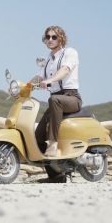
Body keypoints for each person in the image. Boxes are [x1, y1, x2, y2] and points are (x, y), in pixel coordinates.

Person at [29, 25, 82, 182]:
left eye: (54, 37)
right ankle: (56, 176)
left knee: (54, 99)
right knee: (37, 137)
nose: (50, 40)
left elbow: (65, 70)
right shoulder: (47, 61)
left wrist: (50, 81)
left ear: (61, 38)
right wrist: (22, 88)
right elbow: (38, 78)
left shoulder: (70, 53)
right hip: (56, 102)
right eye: (48, 37)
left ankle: (53, 143)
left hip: (71, 97)